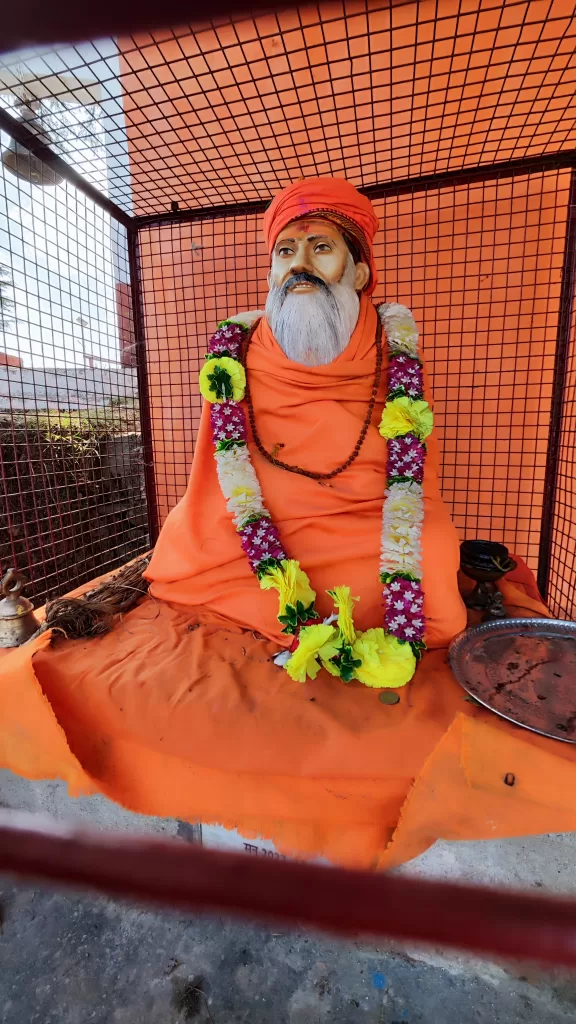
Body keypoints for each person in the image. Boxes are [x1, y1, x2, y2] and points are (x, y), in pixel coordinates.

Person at [146, 177, 466, 686]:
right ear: (272, 272)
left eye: (321, 248)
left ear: (359, 272)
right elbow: (213, 473)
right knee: (199, 544)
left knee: (432, 554)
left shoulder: (392, 349)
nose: (299, 264)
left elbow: (414, 474)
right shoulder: (236, 350)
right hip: (261, 521)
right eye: (286, 251)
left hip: (366, 520)